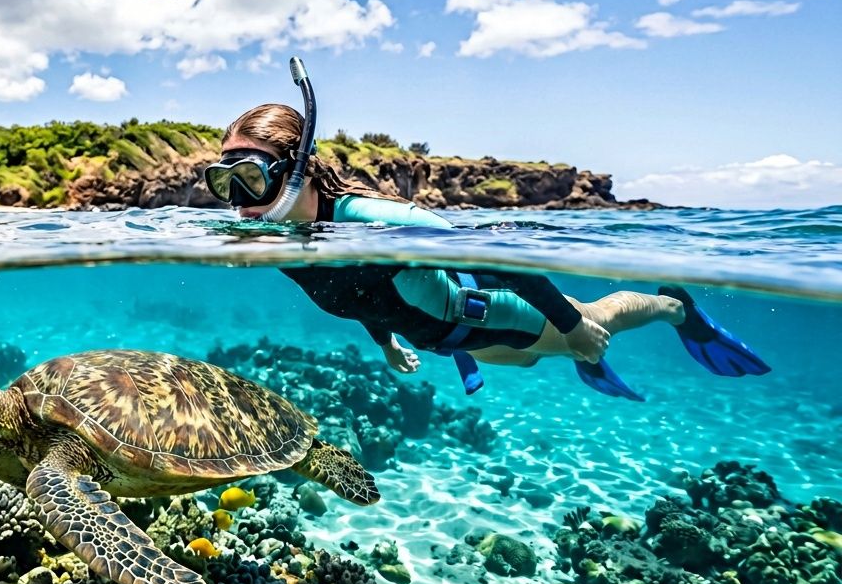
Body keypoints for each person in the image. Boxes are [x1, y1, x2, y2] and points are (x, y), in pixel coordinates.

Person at [204, 101, 770, 399]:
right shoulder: (282, 242)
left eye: (250, 179)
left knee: (590, 337)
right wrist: (387, 342)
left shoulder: (375, 222)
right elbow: (354, 293)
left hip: (488, 311)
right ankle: (555, 344)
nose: (239, 204)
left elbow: (486, 258)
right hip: (445, 337)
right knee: (526, 360)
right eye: (223, 183)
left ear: (297, 167)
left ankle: (677, 308)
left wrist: (572, 326)